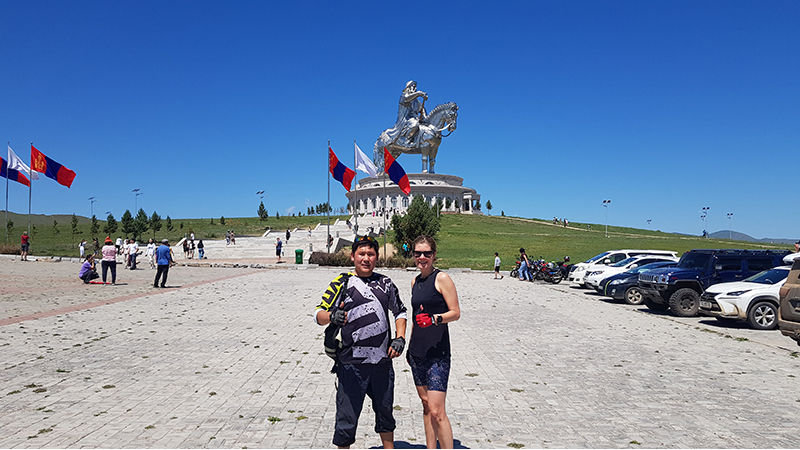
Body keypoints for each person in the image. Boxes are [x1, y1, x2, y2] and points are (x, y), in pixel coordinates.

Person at [314, 236, 407, 449]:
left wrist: (400, 338)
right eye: (362, 254)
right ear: (353, 256)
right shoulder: (342, 281)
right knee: (347, 418)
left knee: (385, 413)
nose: (366, 258)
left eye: (371, 254)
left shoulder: (386, 283)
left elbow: (400, 311)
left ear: (377, 257)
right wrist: (331, 316)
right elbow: (318, 314)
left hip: (382, 364)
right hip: (350, 365)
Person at [407, 235, 460, 449]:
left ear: (434, 255)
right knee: (427, 405)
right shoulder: (415, 281)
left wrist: (435, 319)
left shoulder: (442, 278)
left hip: (438, 353)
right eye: (418, 253)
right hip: (417, 352)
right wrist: (409, 348)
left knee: (438, 411)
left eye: (426, 253)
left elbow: (455, 313)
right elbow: (413, 318)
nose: (422, 257)